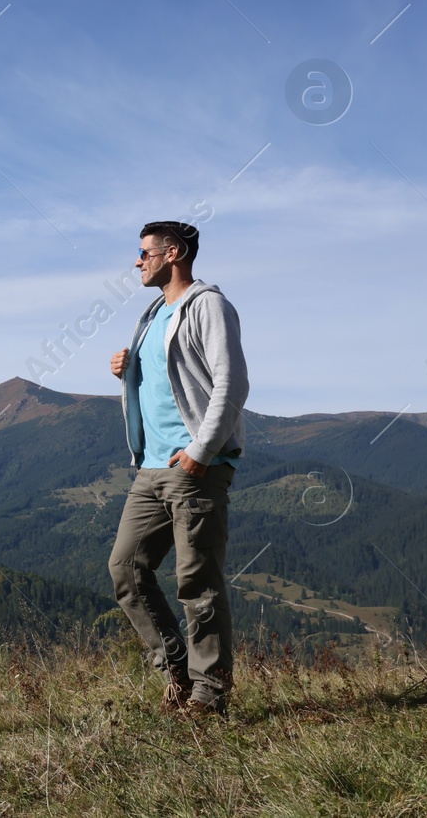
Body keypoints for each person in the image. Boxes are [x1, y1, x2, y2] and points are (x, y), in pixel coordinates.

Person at [106, 221, 248, 718]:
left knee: (198, 581)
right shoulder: (151, 314)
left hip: (194, 466)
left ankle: (209, 694)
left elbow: (232, 384)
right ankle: (175, 669)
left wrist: (201, 451)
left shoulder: (208, 304)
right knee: (126, 568)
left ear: (174, 253)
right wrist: (129, 371)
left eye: (144, 253)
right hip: (150, 467)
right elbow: (171, 378)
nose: (138, 262)